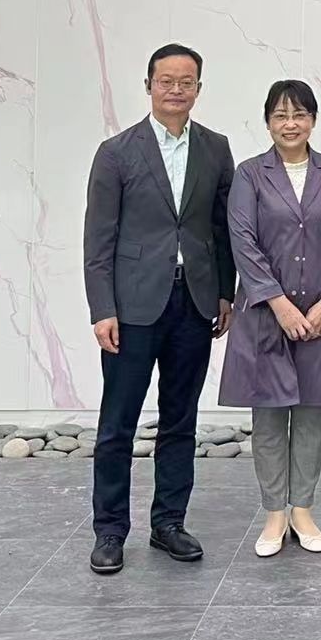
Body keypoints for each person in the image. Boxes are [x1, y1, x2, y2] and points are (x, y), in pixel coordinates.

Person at [83, 43, 235, 576]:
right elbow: (98, 239)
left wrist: (226, 292)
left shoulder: (216, 148)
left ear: (198, 88)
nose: (176, 89)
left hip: (193, 302)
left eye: (186, 81)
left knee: (180, 420)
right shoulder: (117, 152)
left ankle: (169, 523)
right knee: (117, 423)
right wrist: (102, 308)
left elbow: (222, 229)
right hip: (131, 307)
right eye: (166, 80)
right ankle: (109, 530)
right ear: (148, 85)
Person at [218, 80, 321, 558]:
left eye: (299, 114)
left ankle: (303, 509)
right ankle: (274, 512)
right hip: (265, 317)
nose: (290, 124)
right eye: (280, 115)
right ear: (267, 122)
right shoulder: (249, 174)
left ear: (313, 120)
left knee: (312, 416)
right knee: (269, 417)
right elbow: (242, 241)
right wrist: (278, 303)